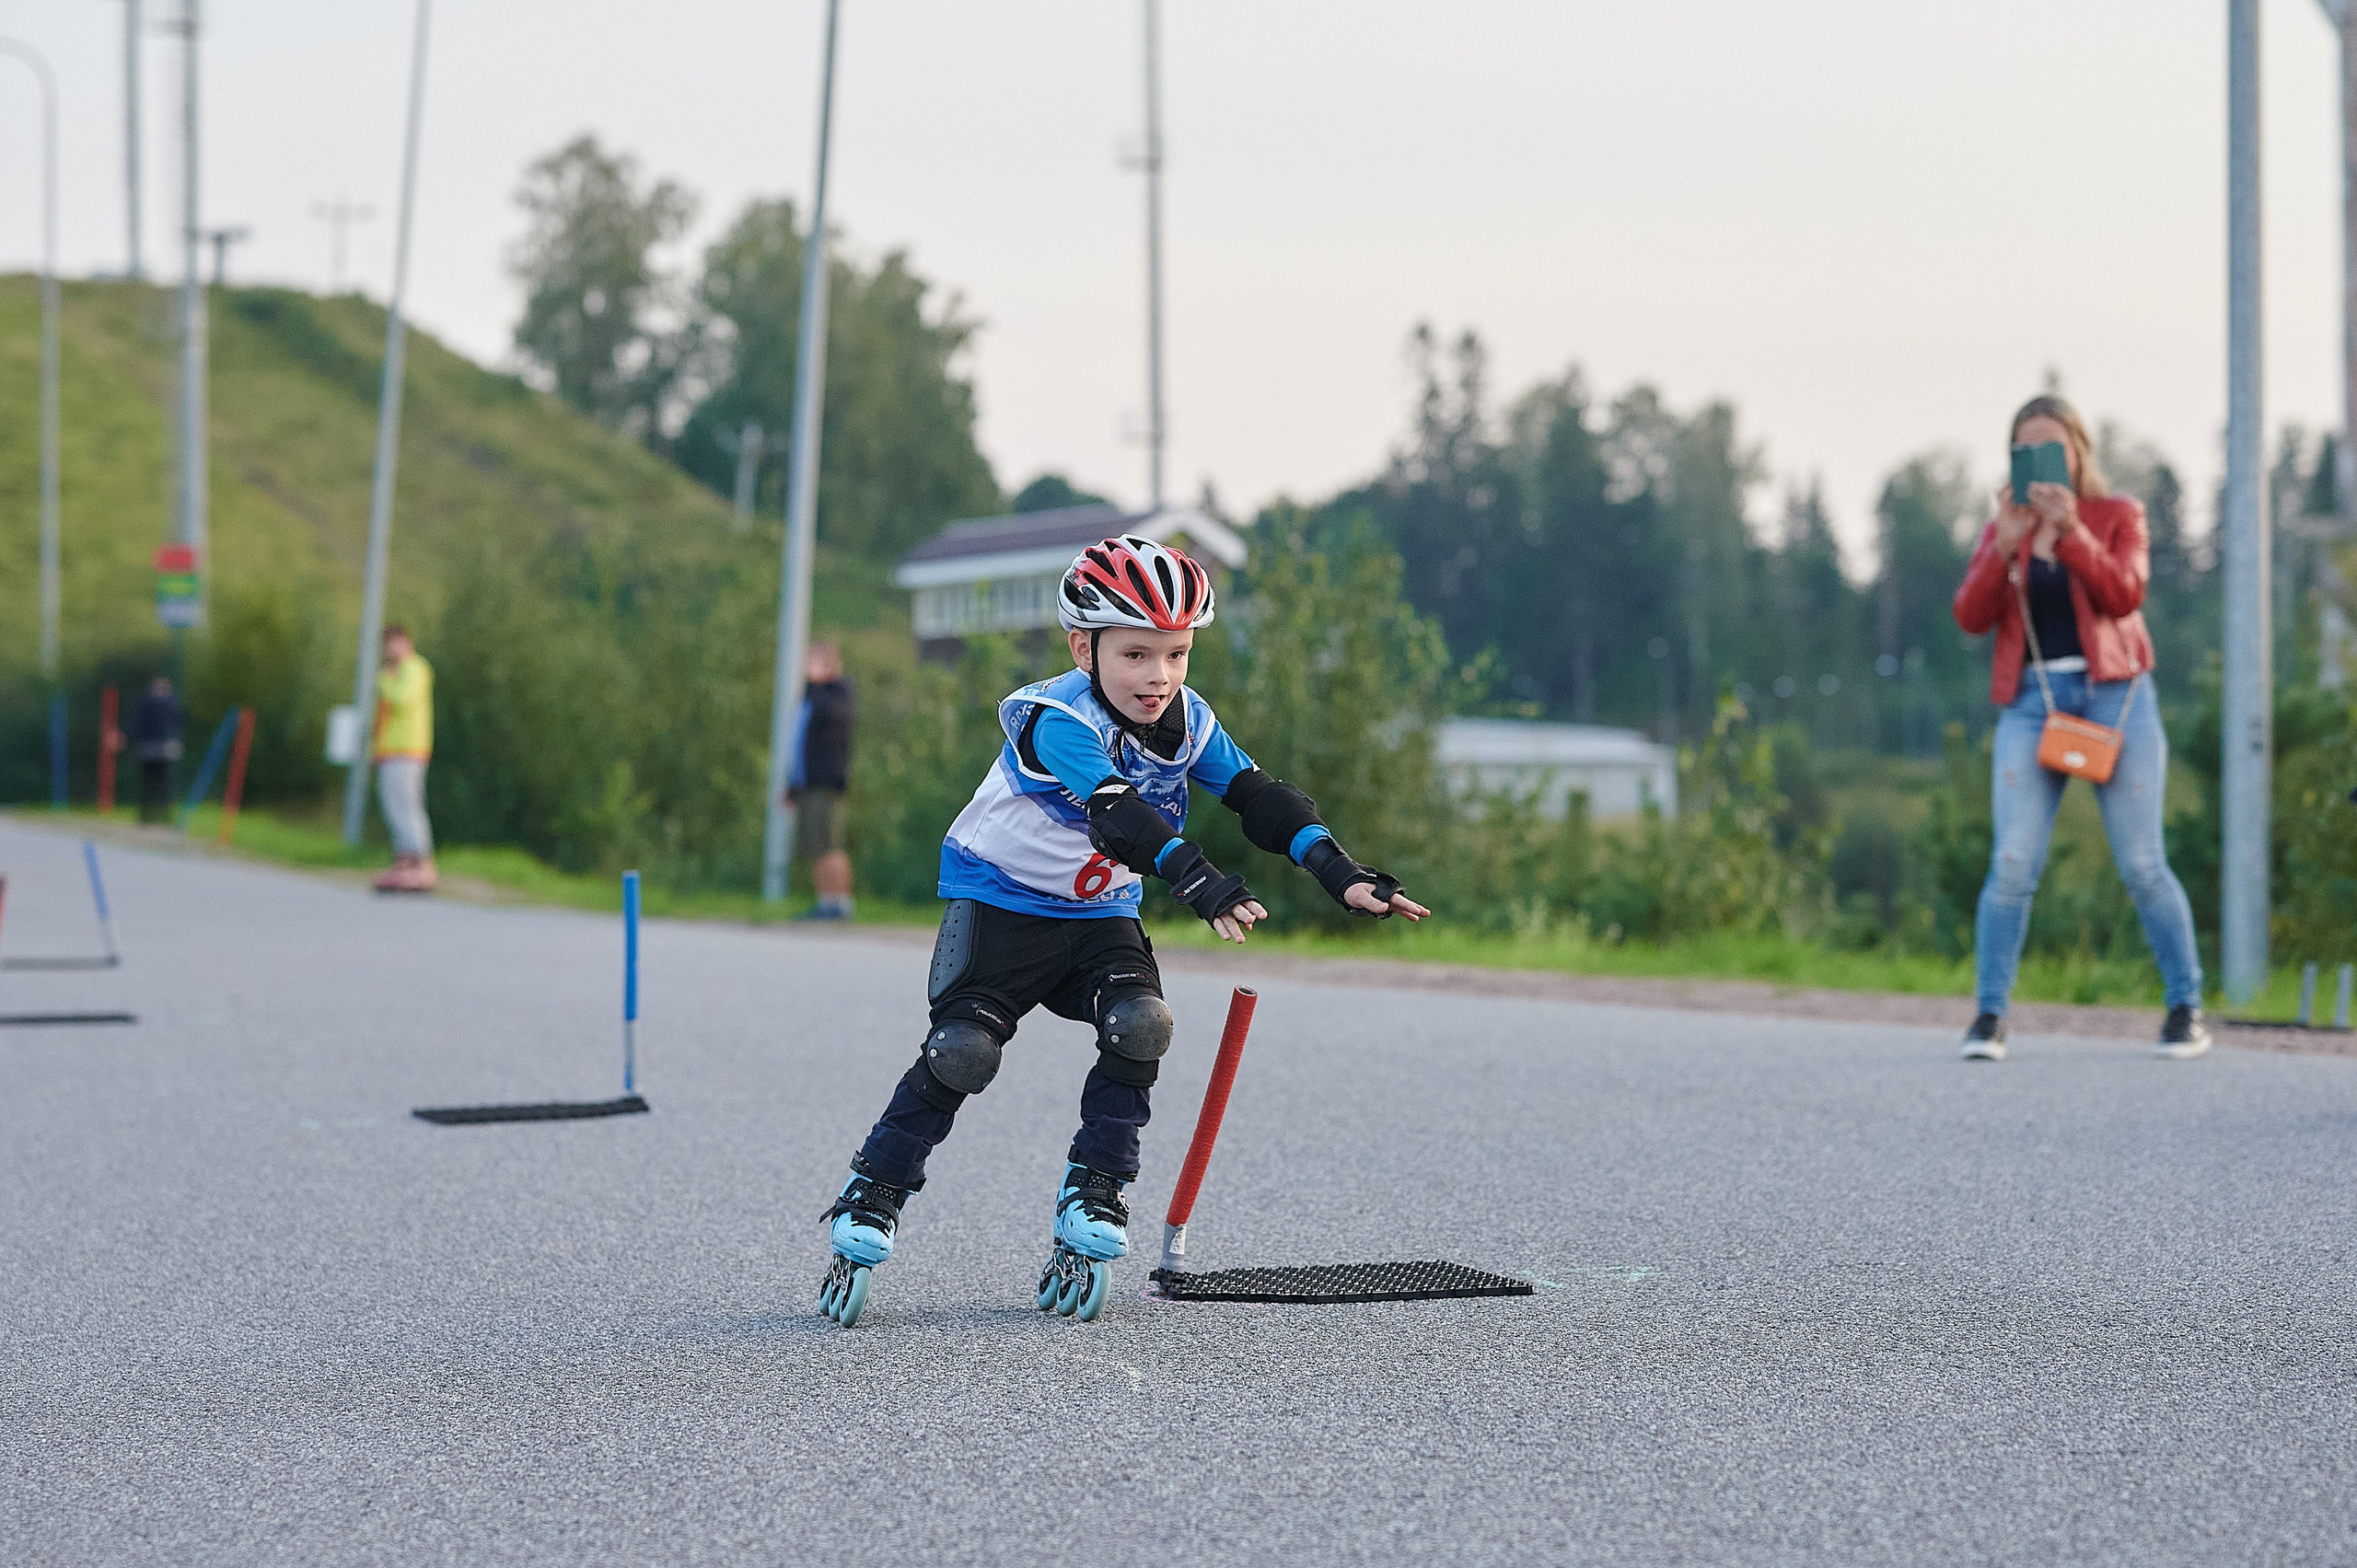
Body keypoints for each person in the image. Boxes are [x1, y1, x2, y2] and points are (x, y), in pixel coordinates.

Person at [815, 536, 1430, 1328]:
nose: (1160, 677)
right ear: (1084, 645)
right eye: (1136, 653)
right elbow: (1117, 812)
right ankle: (874, 1189)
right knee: (963, 1052)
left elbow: (1257, 795)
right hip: (1002, 904)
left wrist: (1338, 868)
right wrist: (1195, 875)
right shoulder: (1051, 718)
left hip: (1099, 913)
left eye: (1176, 653)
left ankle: (1096, 1186)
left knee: (1143, 1023)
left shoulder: (1187, 718)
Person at [1951, 395, 2209, 1063]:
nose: (2040, 459)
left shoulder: (2118, 514)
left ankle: (2185, 1006)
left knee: (2143, 863)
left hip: (2115, 698)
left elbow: (2126, 593)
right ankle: (1989, 1016)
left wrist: (2071, 535)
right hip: (2033, 701)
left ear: (2078, 451)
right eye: (2025, 445)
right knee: (2011, 864)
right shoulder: (2002, 527)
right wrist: (2002, 549)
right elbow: (1970, 617)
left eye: (2052, 445)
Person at [790, 640, 857, 921]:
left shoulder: (838, 692)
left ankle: (840, 903)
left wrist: (818, 683)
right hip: (808, 781)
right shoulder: (810, 695)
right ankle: (825, 901)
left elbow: (832, 717)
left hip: (828, 781)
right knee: (815, 844)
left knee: (831, 843)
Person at [371, 624, 437, 893]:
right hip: (389, 751)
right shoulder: (392, 674)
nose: (391, 648)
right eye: (388, 643)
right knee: (393, 806)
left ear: (407, 642)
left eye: (396, 642)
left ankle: (422, 865)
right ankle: (404, 861)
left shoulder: (415, 669)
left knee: (409, 807)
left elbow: (402, 699)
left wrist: (385, 680)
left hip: (411, 750)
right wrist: (376, 749)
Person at [129, 677, 184, 825]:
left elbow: (177, 725)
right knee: (154, 784)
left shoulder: (165, 703)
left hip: (159, 747)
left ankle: (157, 816)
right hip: (154, 747)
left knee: (160, 784)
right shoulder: (169, 703)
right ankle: (149, 816)